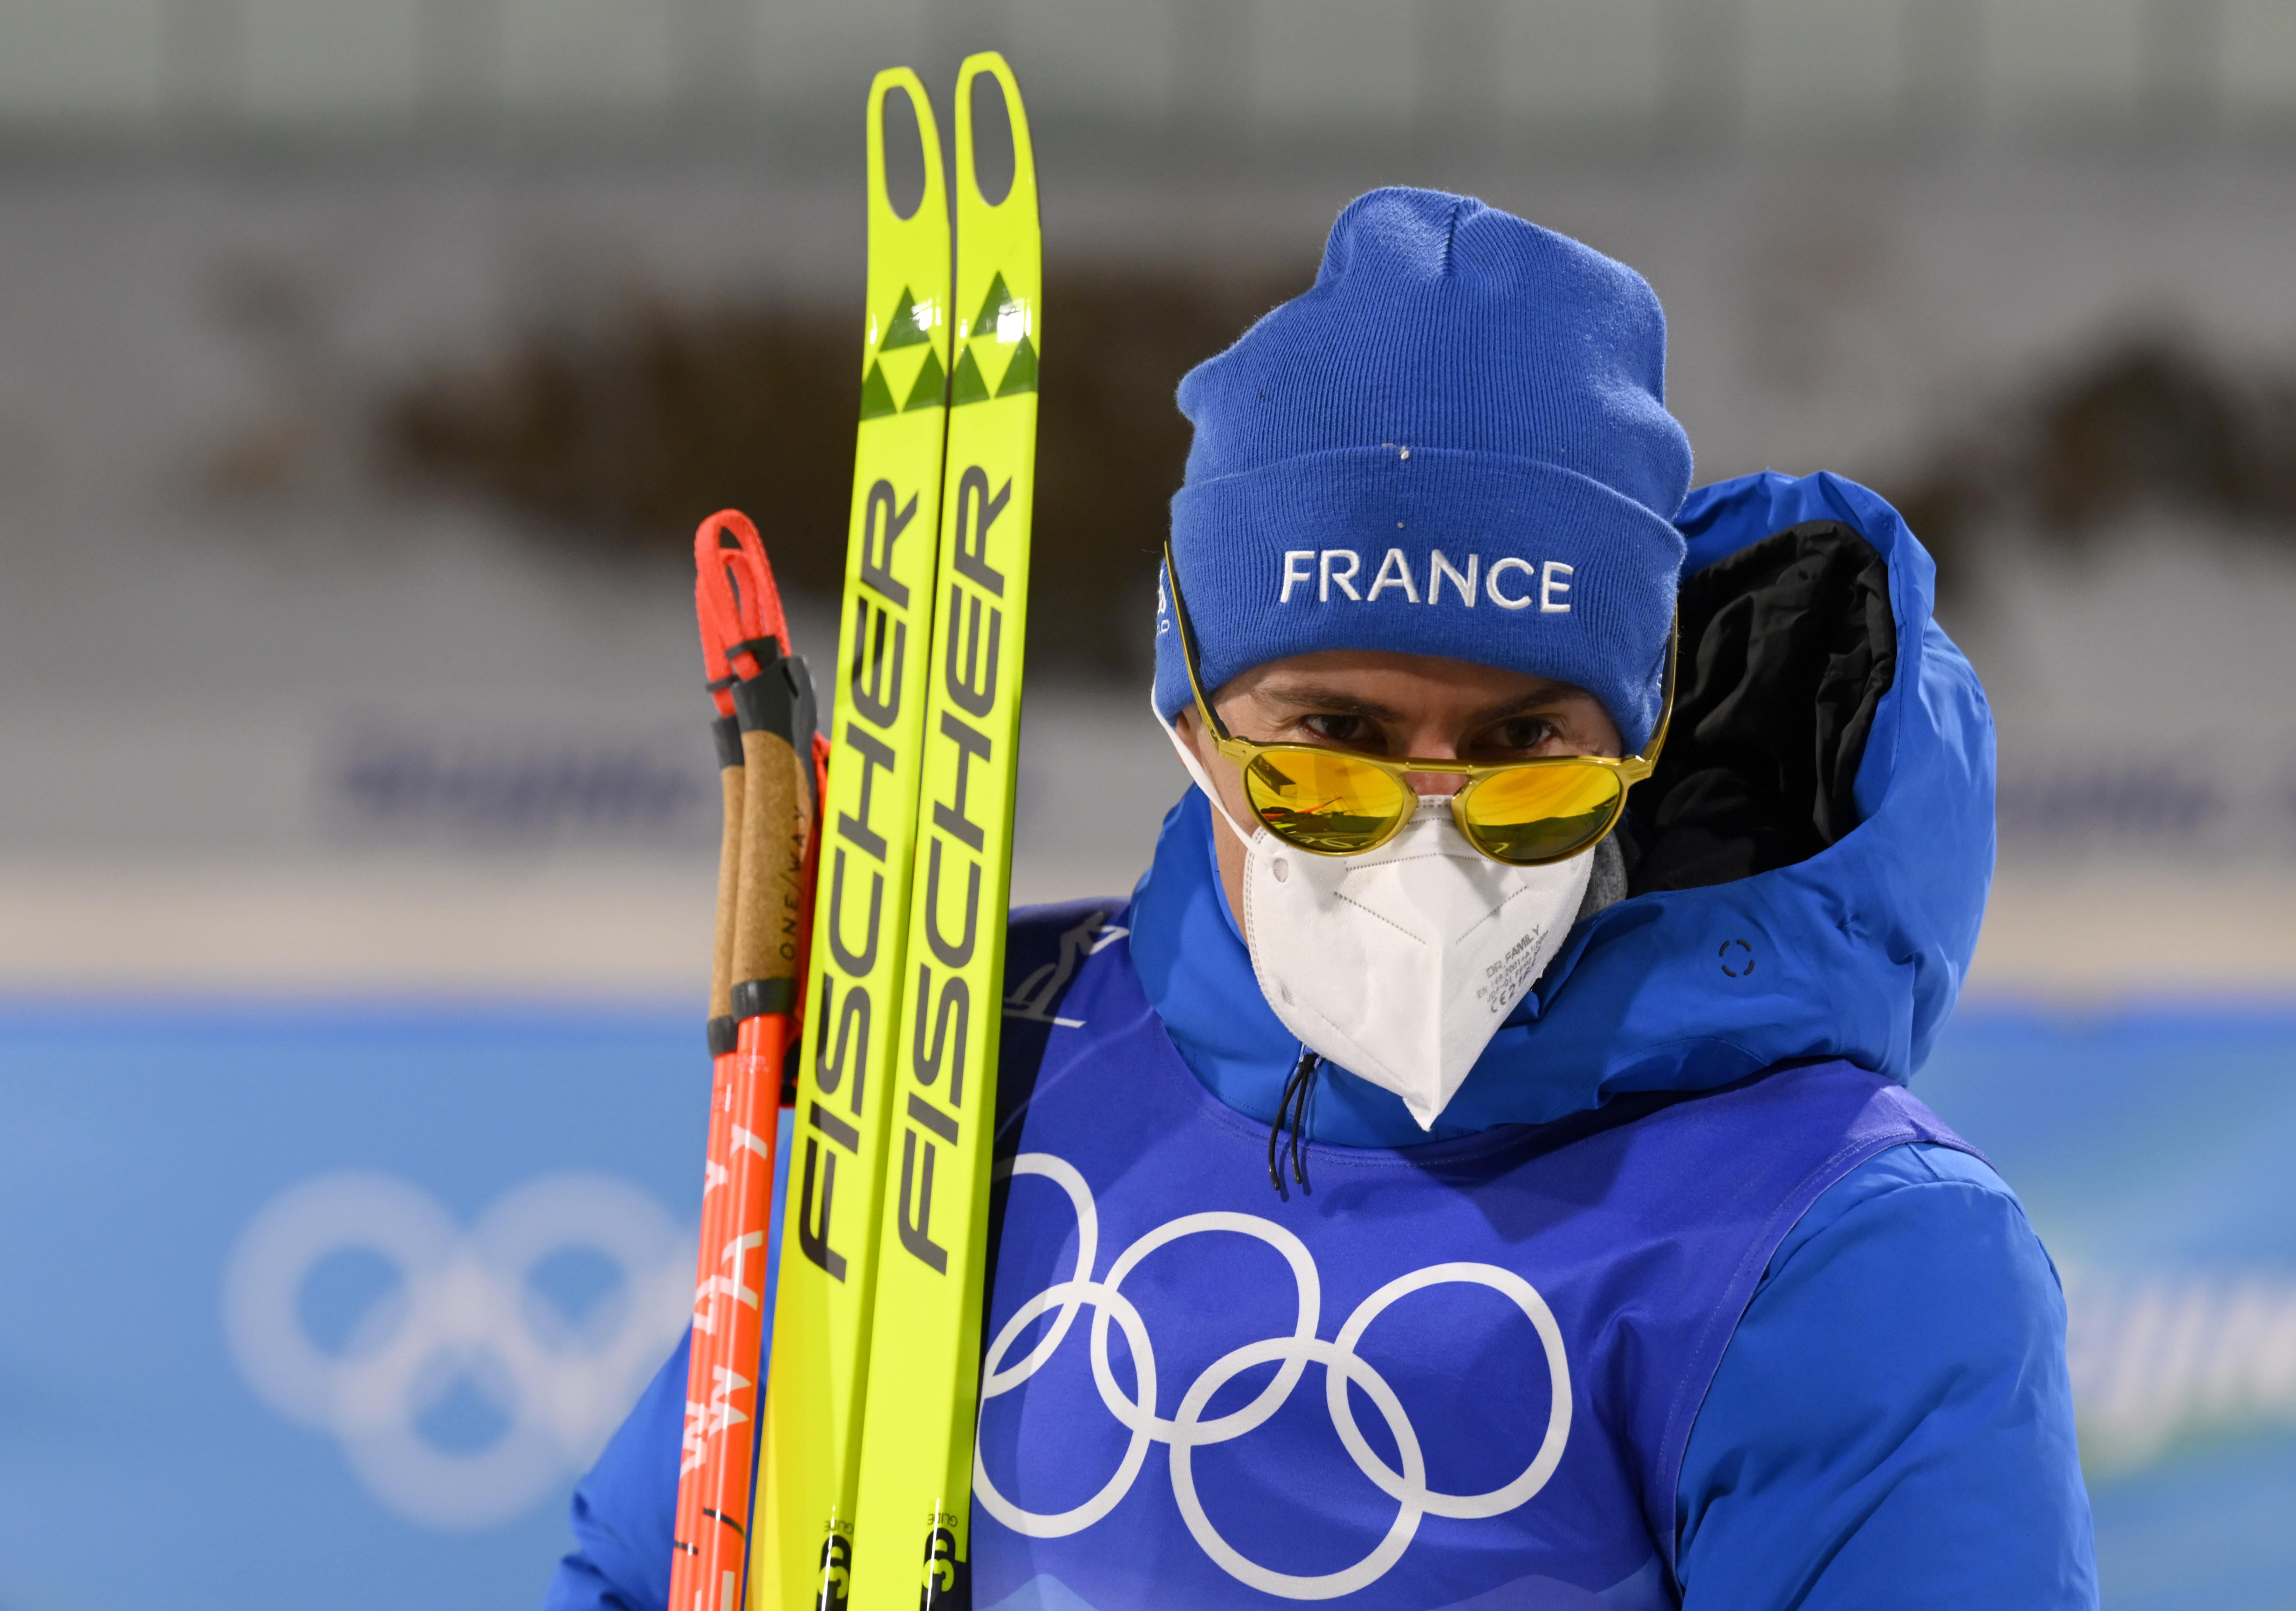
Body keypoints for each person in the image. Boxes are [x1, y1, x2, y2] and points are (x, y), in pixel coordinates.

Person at [547, 187, 2095, 1611]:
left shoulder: (1841, 1238)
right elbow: (638, 1570)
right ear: (1193, 721)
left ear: (1634, 746)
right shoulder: (973, 1074)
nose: (1431, 845)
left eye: (1525, 758)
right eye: (1333, 752)